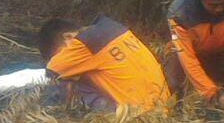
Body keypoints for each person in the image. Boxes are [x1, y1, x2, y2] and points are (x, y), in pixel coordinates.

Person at [38, 16, 171, 112]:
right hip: (164, 107)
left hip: (137, 115)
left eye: (58, 53)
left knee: (59, 84)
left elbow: (51, 73)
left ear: (68, 37)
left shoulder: (81, 44)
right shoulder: (113, 29)